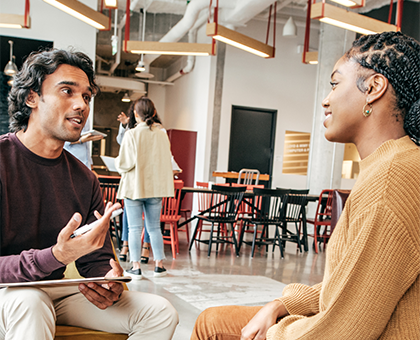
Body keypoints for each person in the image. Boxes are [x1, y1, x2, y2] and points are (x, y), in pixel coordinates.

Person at [191, 31, 420, 340]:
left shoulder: (390, 180)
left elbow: (344, 330)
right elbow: (355, 283)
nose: (326, 99)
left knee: (211, 326)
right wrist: (282, 304)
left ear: (374, 88)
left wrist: (276, 332)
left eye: (336, 83)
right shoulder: (394, 164)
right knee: (214, 319)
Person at [0, 48, 178, 340]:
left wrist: (109, 279)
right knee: (30, 301)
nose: (81, 105)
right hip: (7, 292)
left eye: (86, 96)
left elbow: (96, 260)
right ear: (32, 97)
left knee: (159, 312)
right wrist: (54, 256)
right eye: (67, 91)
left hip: (57, 292)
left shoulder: (84, 179)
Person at [116, 97, 174, 279]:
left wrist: (117, 163)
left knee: (134, 228)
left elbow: (124, 163)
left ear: (135, 114)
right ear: (154, 113)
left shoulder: (132, 134)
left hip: (135, 188)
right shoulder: (162, 134)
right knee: (154, 227)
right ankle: (159, 266)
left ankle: (135, 268)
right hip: (156, 188)